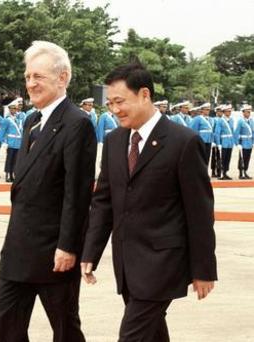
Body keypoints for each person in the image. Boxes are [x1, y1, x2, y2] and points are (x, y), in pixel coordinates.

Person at [81, 63, 217, 342]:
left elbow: (200, 213)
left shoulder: (183, 142)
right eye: (110, 104)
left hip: (163, 262)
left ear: (145, 94)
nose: (115, 110)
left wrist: (204, 270)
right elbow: (104, 201)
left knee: (132, 335)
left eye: (120, 102)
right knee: (152, 334)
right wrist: (90, 252)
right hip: (127, 263)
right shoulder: (115, 141)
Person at [0, 41, 97, 342]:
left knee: (64, 327)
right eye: (27, 77)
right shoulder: (31, 121)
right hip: (19, 247)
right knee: (4, 314)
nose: (30, 84)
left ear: (62, 78)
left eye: (38, 76)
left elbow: (76, 193)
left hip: (54, 249)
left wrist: (68, 246)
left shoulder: (77, 124)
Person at [0, 100, 22, 182]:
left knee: (16, 159)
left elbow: (21, 131)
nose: (14, 111)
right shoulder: (7, 120)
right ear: (10, 110)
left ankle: (13, 174)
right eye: (12, 109)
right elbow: (2, 131)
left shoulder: (18, 120)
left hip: (18, 142)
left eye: (15, 109)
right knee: (9, 159)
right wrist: (3, 142)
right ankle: (8, 174)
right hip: (11, 142)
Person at [214, 104, 235, 180]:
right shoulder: (220, 120)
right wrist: (218, 143)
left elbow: (232, 131)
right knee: (222, 158)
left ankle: (225, 172)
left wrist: (233, 142)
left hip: (229, 143)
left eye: (230, 111)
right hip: (223, 142)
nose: (229, 113)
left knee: (228, 158)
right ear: (224, 112)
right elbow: (217, 133)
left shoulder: (231, 120)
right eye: (228, 111)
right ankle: (220, 173)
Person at [234, 104, 253, 179]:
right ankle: (241, 173)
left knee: (247, 158)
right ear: (243, 112)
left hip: (249, 143)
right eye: (247, 112)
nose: (248, 113)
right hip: (243, 143)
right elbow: (236, 133)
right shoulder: (240, 121)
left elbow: (253, 132)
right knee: (242, 158)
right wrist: (237, 143)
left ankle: (245, 171)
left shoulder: (251, 121)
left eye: (249, 112)